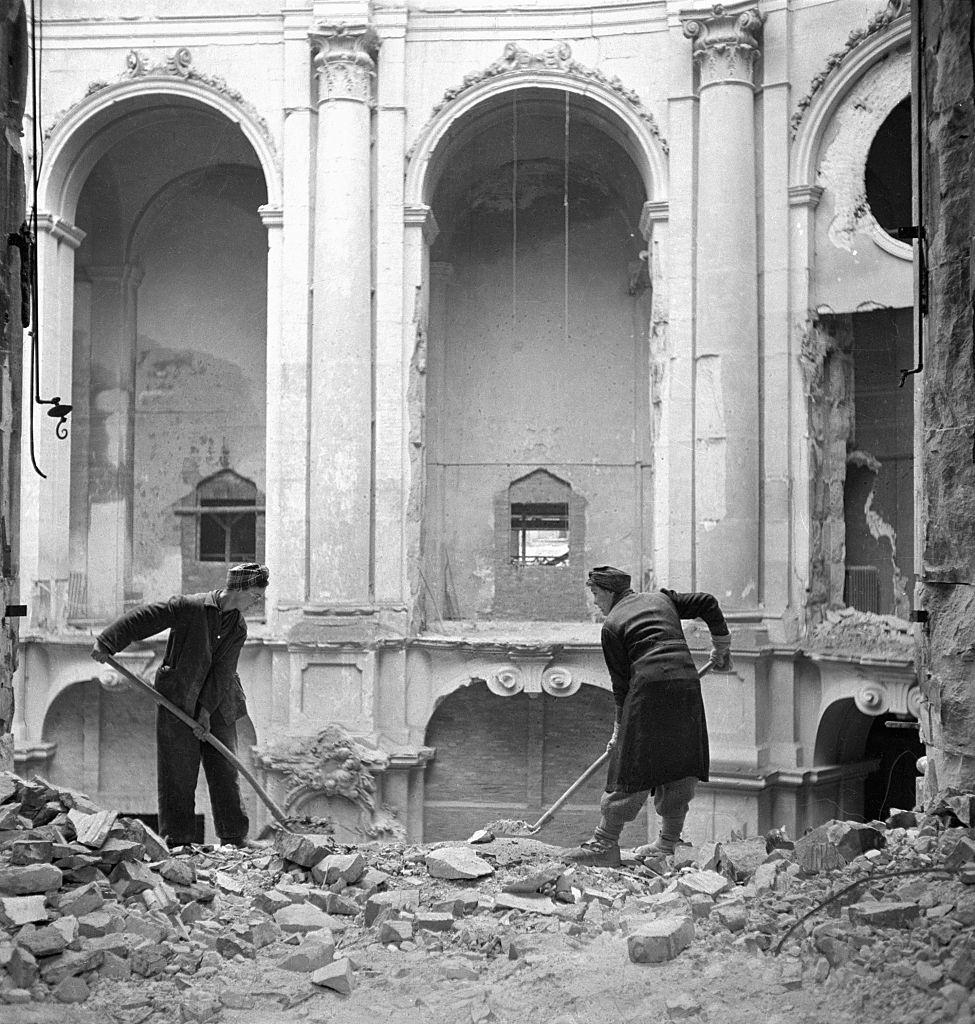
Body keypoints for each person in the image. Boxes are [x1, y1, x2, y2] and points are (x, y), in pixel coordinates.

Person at [90, 563, 269, 848]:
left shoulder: (238, 626)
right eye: (256, 596)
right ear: (242, 589)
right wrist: (107, 641)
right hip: (178, 700)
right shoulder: (191, 607)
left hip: (221, 704)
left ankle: (234, 837)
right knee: (178, 773)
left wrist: (207, 713)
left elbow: (223, 670)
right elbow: (146, 617)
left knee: (225, 770)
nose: (257, 602)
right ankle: (177, 841)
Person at [564, 565, 733, 867]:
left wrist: (619, 731)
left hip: (649, 686)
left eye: (596, 593)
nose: (594, 601)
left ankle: (604, 843)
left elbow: (621, 685)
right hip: (685, 683)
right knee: (679, 762)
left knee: (632, 765)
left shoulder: (612, 625)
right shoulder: (662, 599)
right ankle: (668, 845)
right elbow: (707, 602)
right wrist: (721, 645)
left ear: (611, 592)